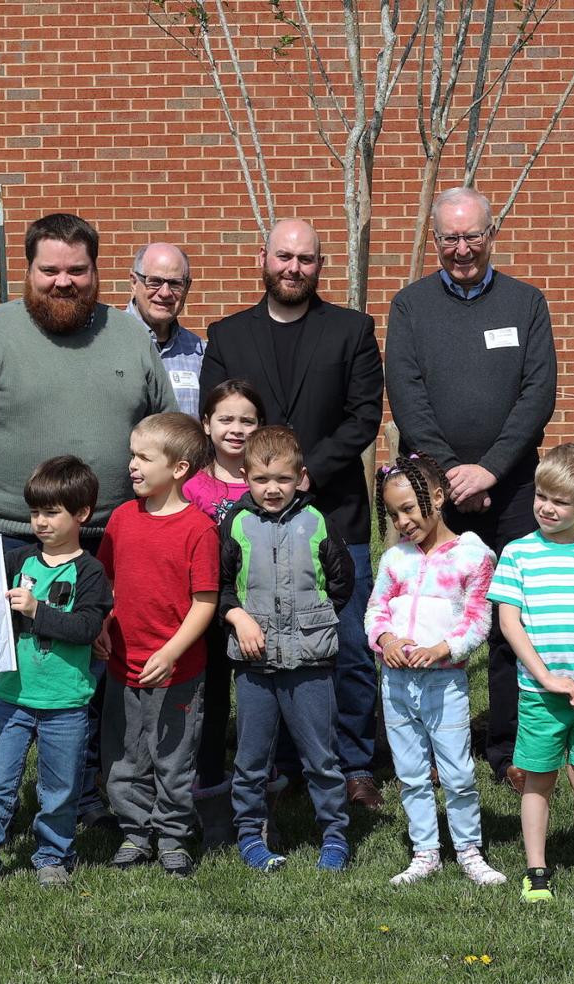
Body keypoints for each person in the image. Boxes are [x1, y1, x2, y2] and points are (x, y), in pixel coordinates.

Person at [0, 212, 175, 825]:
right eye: (50, 270)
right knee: (1, 684)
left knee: (93, 674)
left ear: (96, 272)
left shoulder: (129, 337)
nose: (63, 282)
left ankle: (86, 800)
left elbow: (168, 431)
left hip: (108, 540)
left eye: (76, 271)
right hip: (7, 538)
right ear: (29, 271)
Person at [200, 219, 385, 808]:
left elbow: (363, 417)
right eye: (284, 256)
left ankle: (354, 762)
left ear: (319, 266)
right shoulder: (227, 334)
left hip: (335, 514)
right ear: (264, 258)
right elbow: (219, 420)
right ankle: (278, 760)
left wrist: (306, 474)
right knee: (266, 645)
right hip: (253, 522)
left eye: (306, 259)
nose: (294, 267)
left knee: (348, 643)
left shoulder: (352, 330)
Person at [386, 187, 558, 792]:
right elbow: (407, 397)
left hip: (512, 490)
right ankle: (434, 744)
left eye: (473, 236)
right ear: (436, 240)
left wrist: (489, 470)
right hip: (432, 494)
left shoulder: (526, 303)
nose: (462, 248)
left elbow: (537, 396)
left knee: (513, 618)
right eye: (450, 238)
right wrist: (450, 475)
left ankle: (511, 745)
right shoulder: (410, 307)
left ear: (492, 234)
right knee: (432, 614)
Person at [0, 456, 113, 893]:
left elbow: (87, 629)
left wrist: (39, 611)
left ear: (82, 514)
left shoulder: (91, 573)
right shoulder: (17, 560)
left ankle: (53, 856)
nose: (40, 521)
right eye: (35, 511)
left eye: (51, 512)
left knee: (59, 789)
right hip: (12, 697)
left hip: (67, 703)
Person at [487, 443, 574, 904]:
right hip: (539, 693)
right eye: (541, 496)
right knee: (538, 780)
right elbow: (509, 622)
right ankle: (536, 870)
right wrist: (545, 676)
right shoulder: (518, 554)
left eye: (561, 501)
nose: (547, 507)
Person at [219, 426, 356, 873]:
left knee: (321, 756)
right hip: (254, 664)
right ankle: (250, 834)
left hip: (310, 662)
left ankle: (334, 835)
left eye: (282, 479)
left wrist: (312, 625)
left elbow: (341, 583)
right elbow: (218, 585)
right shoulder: (236, 524)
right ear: (245, 477)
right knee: (251, 758)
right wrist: (238, 617)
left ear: (300, 477)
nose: (272, 489)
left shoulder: (317, 522)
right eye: (261, 480)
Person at [366, 453, 506, 888]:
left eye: (409, 508)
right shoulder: (394, 560)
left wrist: (443, 649)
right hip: (396, 683)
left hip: (445, 683)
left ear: (439, 497)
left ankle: (469, 850)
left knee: (458, 772)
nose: (404, 521)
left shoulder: (473, 555)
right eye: (394, 514)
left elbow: (479, 620)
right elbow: (375, 611)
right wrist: (386, 642)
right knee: (410, 772)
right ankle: (425, 851)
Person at [97, 412, 219, 878]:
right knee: (124, 755)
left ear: (180, 468)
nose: (132, 465)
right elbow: (108, 586)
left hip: (178, 673)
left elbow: (204, 603)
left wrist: (171, 652)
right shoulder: (122, 520)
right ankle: (135, 833)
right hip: (122, 665)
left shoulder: (198, 530)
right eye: (132, 455)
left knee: (173, 758)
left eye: (144, 457)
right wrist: (103, 624)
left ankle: (172, 836)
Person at [183, 378, 266, 846]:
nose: (236, 429)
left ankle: (261, 787)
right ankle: (208, 785)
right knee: (211, 700)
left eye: (247, 420)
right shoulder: (192, 486)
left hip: (262, 612)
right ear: (207, 424)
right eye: (226, 419)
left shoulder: (270, 484)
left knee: (259, 702)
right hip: (207, 609)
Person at [126, 242, 204, 416]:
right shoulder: (109, 341)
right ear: (133, 282)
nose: (165, 292)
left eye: (175, 283)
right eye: (155, 282)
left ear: (187, 287)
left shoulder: (199, 352)